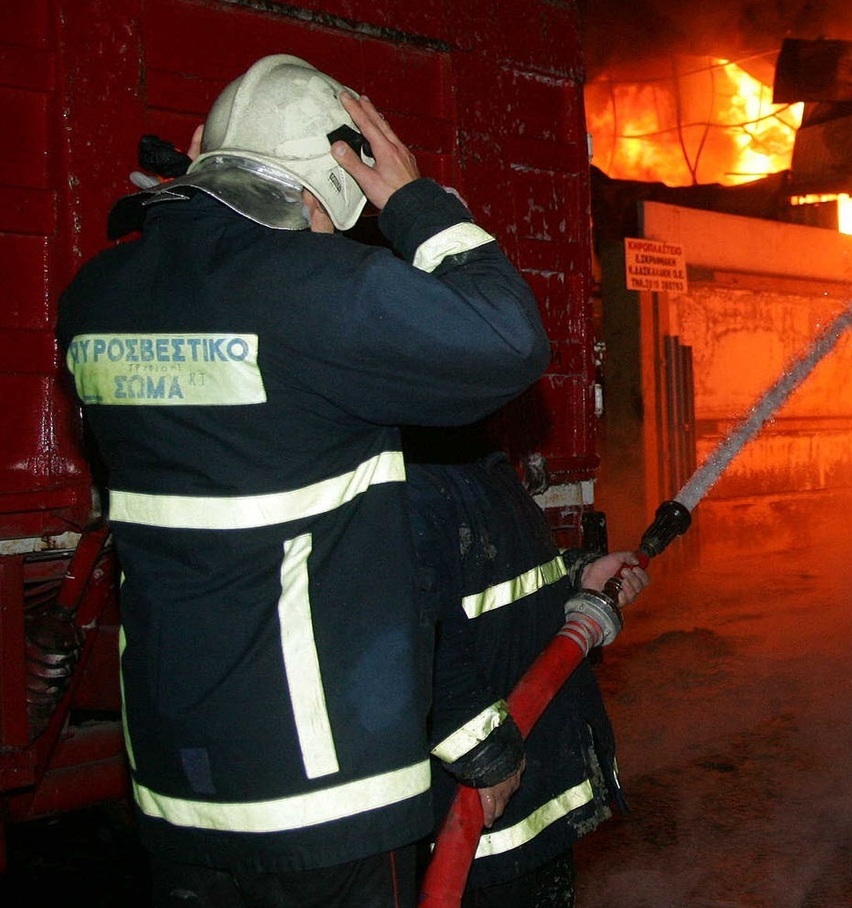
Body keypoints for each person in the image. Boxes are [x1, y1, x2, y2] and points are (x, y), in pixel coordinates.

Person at [55, 53, 551, 908]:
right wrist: (414, 204)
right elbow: (509, 339)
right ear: (327, 184)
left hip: (180, 787)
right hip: (325, 793)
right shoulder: (317, 293)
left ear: (205, 148)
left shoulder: (97, 296)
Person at [404, 426, 650, 907]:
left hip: (527, 810)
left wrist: (578, 573)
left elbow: (498, 575)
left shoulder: (475, 464)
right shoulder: (410, 482)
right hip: (475, 835)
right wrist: (482, 750)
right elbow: (413, 631)